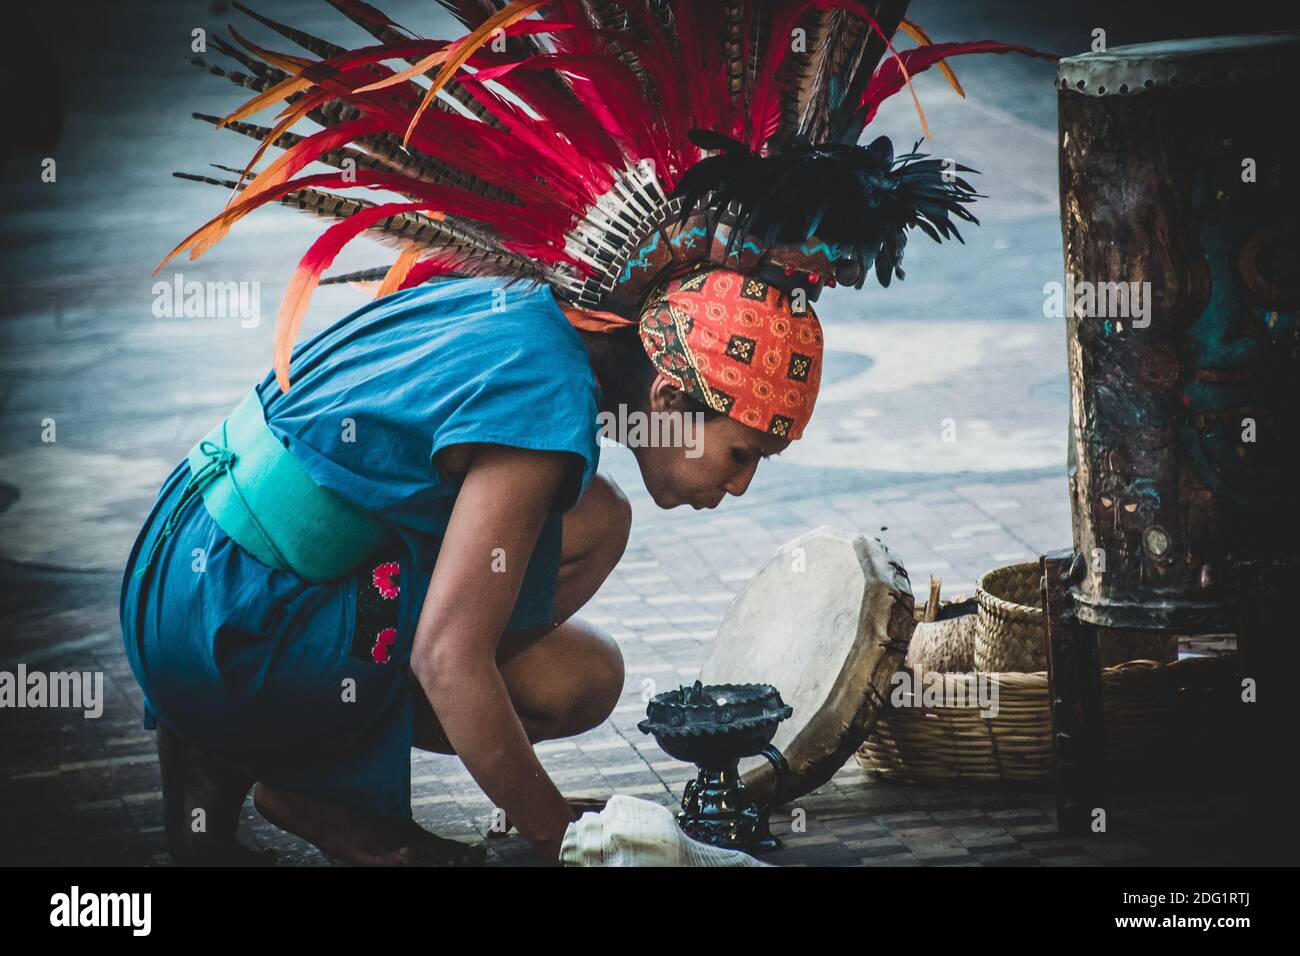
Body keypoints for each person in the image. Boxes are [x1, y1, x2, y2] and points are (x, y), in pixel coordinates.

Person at [125, 0, 1047, 865]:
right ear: (670, 392)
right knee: (482, 640)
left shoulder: (530, 312)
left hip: (187, 582)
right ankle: (317, 789)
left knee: (586, 640)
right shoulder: (544, 399)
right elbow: (447, 656)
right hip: (233, 621)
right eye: (741, 454)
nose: (741, 487)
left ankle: (226, 745)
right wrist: (562, 831)